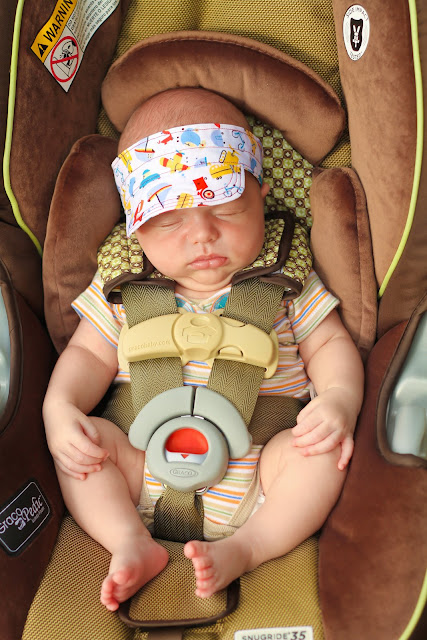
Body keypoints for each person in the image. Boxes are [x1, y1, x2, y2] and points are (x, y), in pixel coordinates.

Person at [43, 87, 364, 612]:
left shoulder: (286, 279)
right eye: (169, 220)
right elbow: (87, 357)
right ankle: (128, 539)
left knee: (322, 454)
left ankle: (249, 547)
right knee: (83, 448)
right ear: (135, 225)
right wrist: (60, 410)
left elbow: (329, 342)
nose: (203, 235)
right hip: (138, 469)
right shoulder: (121, 285)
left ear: (261, 195)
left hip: (262, 475)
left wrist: (339, 399)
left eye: (228, 207)